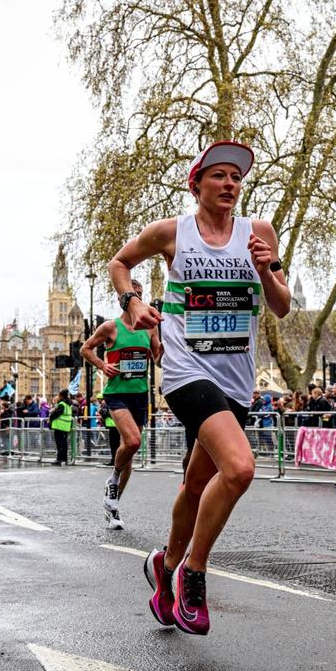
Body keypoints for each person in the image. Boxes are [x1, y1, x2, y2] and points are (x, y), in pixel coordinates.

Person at [109, 139, 291, 635]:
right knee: (240, 468)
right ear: (197, 184)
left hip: (236, 378)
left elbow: (281, 305)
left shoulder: (259, 233)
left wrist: (267, 267)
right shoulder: (173, 232)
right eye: (220, 176)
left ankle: (162, 567)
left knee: (195, 483)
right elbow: (120, 263)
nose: (230, 184)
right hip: (187, 370)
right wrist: (131, 303)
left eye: (236, 177)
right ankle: (194, 572)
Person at [80, 280, 161, 530]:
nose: (137, 300)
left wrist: (173, 347)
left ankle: (112, 506)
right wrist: (103, 365)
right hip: (117, 394)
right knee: (133, 441)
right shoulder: (110, 328)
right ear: (122, 300)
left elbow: (158, 357)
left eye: (140, 295)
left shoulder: (149, 328)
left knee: (130, 453)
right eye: (132, 295)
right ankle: (113, 479)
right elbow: (86, 349)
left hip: (140, 395)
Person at [49, 389, 73, 465]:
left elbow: (56, 413)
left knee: (59, 443)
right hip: (66, 426)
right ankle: (64, 459)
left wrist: (51, 416)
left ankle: (59, 459)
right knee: (64, 443)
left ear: (61, 396)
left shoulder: (62, 404)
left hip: (60, 426)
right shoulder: (68, 404)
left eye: (59, 395)